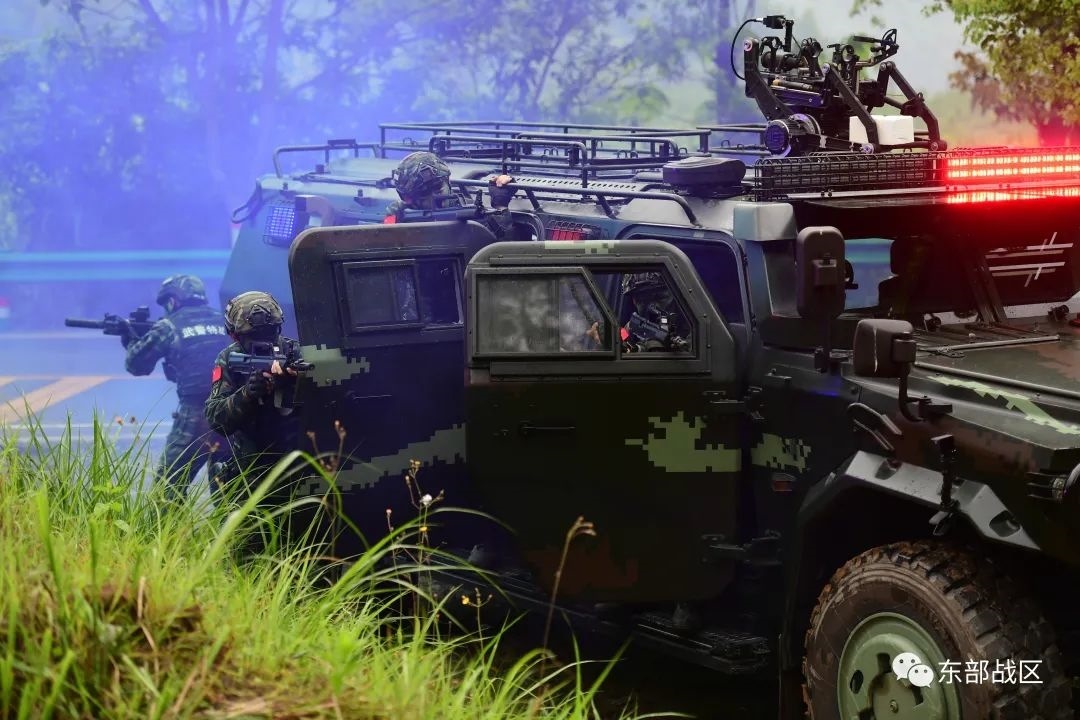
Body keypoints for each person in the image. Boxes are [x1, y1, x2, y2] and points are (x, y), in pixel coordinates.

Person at [124, 274, 231, 501]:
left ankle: (170, 527)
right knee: (228, 490)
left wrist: (131, 340)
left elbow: (137, 365)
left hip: (196, 416)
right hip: (232, 412)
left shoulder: (168, 326)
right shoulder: (224, 320)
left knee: (168, 490)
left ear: (173, 300)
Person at [204, 291, 302, 501]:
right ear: (235, 336)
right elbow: (216, 419)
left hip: (298, 470)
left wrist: (297, 385)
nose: (263, 342)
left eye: (268, 333)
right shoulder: (229, 359)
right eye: (253, 337)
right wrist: (247, 394)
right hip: (251, 475)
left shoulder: (297, 354)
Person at [383, 150, 517, 239]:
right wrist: (391, 225)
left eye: (437, 187)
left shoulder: (468, 214)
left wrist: (500, 205)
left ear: (447, 182)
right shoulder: (401, 216)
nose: (433, 196)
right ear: (409, 198)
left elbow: (499, 245)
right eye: (423, 193)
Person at [619, 272, 692, 353]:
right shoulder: (629, 330)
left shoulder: (695, 329)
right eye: (642, 300)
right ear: (634, 302)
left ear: (677, 297)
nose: (652, 309)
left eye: (660, 298)